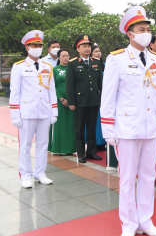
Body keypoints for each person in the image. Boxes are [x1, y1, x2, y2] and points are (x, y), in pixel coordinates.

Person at [101, 6, 156, 236]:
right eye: (141, 30)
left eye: (148, 29)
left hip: (151, 127)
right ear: (130, 33)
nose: (146, 33)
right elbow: (108, 97)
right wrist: (108, 129)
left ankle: (146, 221)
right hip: (127, 128)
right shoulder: (116, 59)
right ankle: (128, 224)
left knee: (149, 176)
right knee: (127, 178)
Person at [10, 30, 58, 189]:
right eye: (34, 45)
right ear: (27, 47)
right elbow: (15, 92)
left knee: (43, 144)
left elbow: (52, 90)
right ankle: (25, 175)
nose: (38, 48)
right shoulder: (19, 67)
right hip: (27, 112)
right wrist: (15, 114)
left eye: (40, 45)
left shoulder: (48, 66)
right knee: (25, 145)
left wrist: (54, 111)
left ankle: (40, 173)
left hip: (44, 110)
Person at [66, 34, 104, 163]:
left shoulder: (96, 62)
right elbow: (69, 85)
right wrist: (71, 102)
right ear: (78, 49)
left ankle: (92, 152)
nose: (87, 49)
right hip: (79, 101)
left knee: (92, 127)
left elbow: (100, 82)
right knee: (79, 129)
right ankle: (81, 153)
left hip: (94, 100)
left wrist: (102, 98)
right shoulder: (73, 64)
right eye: (84, 47)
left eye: (89, 46)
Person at [49, 49, 76, 155]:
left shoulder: (72, 69)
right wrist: (61, 98)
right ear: (58, 57)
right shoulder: (54, 70)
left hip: (72, 102)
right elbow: (52, 86)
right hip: (59, 102)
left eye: (67, 55)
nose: (66, 58)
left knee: (71, 125)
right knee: (60, 125)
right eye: (63, 56)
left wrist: (71, 99)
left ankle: (70, 148)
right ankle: (59, 148)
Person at [90, 44, 106, 150]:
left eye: (99, 51)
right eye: (95, 51)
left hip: (105, 96)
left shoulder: (105, 65)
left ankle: (102, 142)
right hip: (95, 96)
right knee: (95, 120)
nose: (98, 53)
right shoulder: (90, 65)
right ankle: (94, 143)